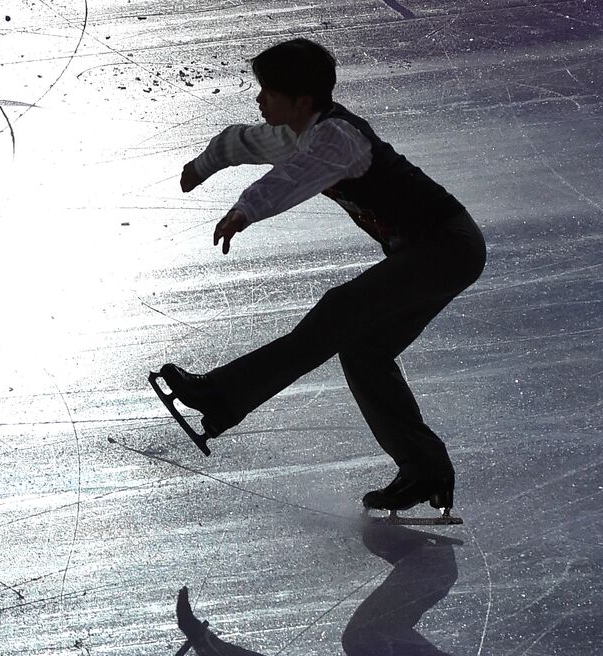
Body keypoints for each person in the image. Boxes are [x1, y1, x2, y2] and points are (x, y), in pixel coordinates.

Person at [156, 38, 486, 513]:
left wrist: (246, 210)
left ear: (303, 100)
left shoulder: (336, 138)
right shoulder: (297, 130)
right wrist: (200, 166)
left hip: (446, 246)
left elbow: (296, 176)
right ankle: (424, 469)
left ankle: (220, 396)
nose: (259, 99)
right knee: (363, 350)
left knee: (340, 311)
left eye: (268, 91)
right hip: (427, 251)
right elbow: (242, 140)